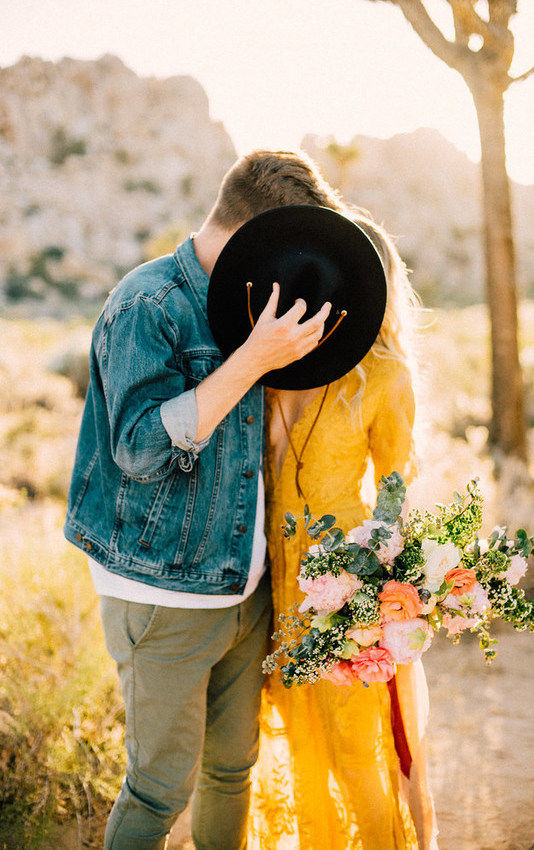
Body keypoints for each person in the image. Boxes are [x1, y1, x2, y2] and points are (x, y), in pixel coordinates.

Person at [64, 150, 346, 850]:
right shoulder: (147, 303)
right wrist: (251, 358)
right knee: (158, 790)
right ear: (258, 230)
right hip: (162, 596)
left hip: (242, 587)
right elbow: (136, 448)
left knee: (232, 770)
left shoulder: (256, 297)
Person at [248, 214, 439, 850]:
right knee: (294, 740)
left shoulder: (386, 375)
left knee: (356, 752)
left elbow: (394, 494)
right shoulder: (277, 357)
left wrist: (373, 594)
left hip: (340, 582)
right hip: (267, 575)